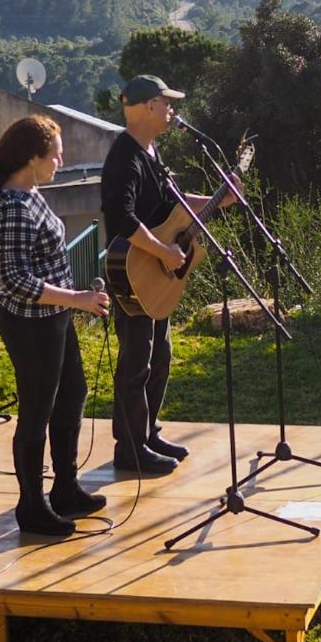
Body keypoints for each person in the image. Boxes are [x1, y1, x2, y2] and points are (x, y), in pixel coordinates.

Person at [0, 114, 110, 536]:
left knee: (72, 394)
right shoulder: (13, 207)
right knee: (37, 411)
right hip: (31, 327)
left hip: (54, 317)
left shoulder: (32, 192)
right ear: (32, 157)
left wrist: (72, 303)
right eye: (55, 155)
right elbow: (16, 281)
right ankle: (31, 506)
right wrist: (76, 299)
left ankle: (65, 488)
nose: (61, 161)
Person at [101, 75, 235, 474]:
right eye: (167, 103)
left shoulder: (150, 151)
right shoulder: (124, 157)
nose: (172, 110)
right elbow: (122, 218)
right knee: (136, 362)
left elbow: (172, 203)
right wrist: (163, 251)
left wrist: (219, 199)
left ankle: (148, 433)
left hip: (153, 274)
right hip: (134, 271)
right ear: (148, 107)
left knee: (159, 356)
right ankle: (130, 449)